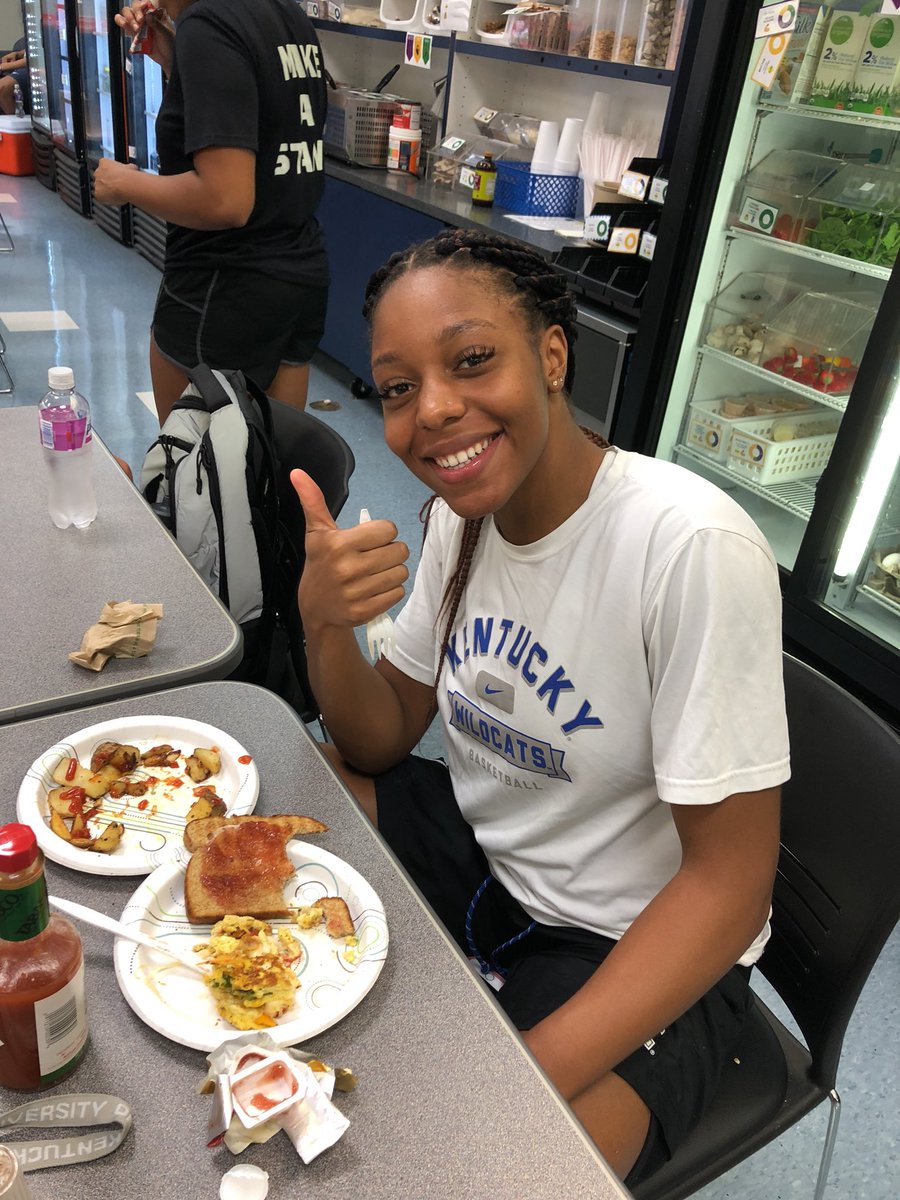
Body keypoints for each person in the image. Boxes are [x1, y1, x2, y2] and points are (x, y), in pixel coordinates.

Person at [290, 228, 790, 1187]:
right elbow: (380, 733)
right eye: (398, 388)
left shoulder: (686, 548)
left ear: (553, 356)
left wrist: (513, 1076)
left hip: (634, 944)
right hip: (496, 861)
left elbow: (729, 889)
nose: (434, 411)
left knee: (483, 1166)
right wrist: (324, 628)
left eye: (473, 360)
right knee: (304, 805)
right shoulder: (461, 521)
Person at [93, 0, 328, 422]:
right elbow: (258, 119)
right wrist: (175, 58)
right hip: (296, 274)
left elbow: (227, 200)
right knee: (271, 469)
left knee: (189, 475)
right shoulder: (286, 13)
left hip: (220, 287)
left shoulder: (208, 23)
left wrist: (124, 184)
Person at [0, 38, 29, 117]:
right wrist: (18, 54)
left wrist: (4, 66)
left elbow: (39, 58)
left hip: (40, 67)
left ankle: (18, 123)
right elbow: (37, 47)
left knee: (2, 87)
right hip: (25, 64)